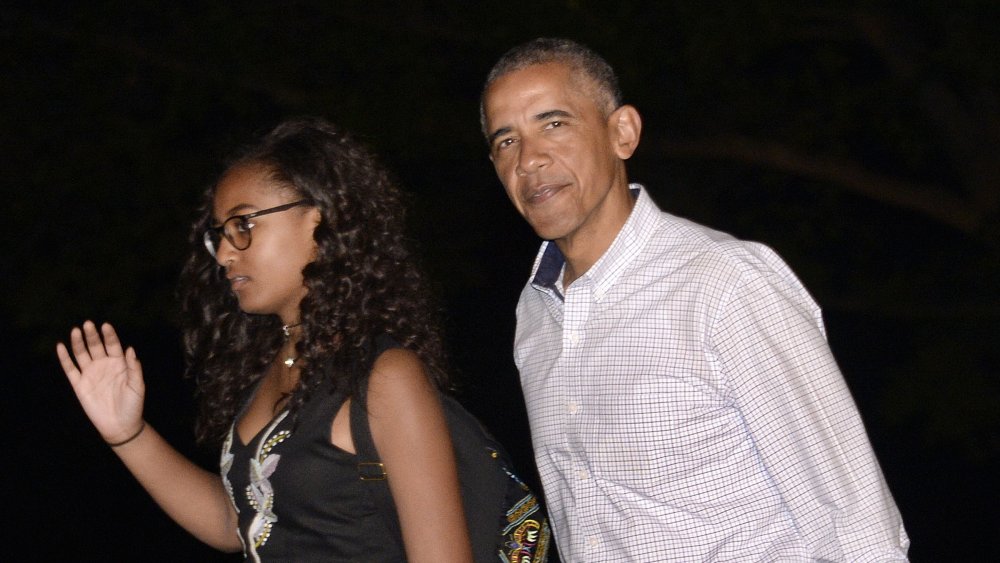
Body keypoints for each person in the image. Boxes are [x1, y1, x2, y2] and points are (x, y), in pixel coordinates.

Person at [480, 37, 910, 561]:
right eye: (506, 141)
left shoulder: (723, 282)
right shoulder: (535, 314)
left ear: (622, 132)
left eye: (554, 123)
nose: (529, 160)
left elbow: (854, 519)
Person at [56, 117, 476, 561]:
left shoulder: (385, 376)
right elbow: (239, 522)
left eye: (243, 225)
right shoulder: (273, 367)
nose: (223, 253)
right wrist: (129, 434)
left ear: (318, 219)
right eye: (219, 234)